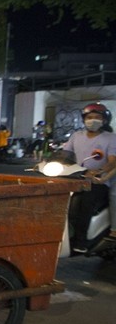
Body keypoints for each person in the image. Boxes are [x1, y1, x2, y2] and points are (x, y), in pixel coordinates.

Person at [62, 103, 116, 252]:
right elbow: (65, 155)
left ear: (104, 121)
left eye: (97, 117)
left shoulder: (110, 138)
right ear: (84, 119)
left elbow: (112, 161)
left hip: (98, 181)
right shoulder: (76, 136)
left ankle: (81, 242)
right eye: (89, 117)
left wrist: (99, 171)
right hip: (76, 177)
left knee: (85, 204)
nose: (93, 120)